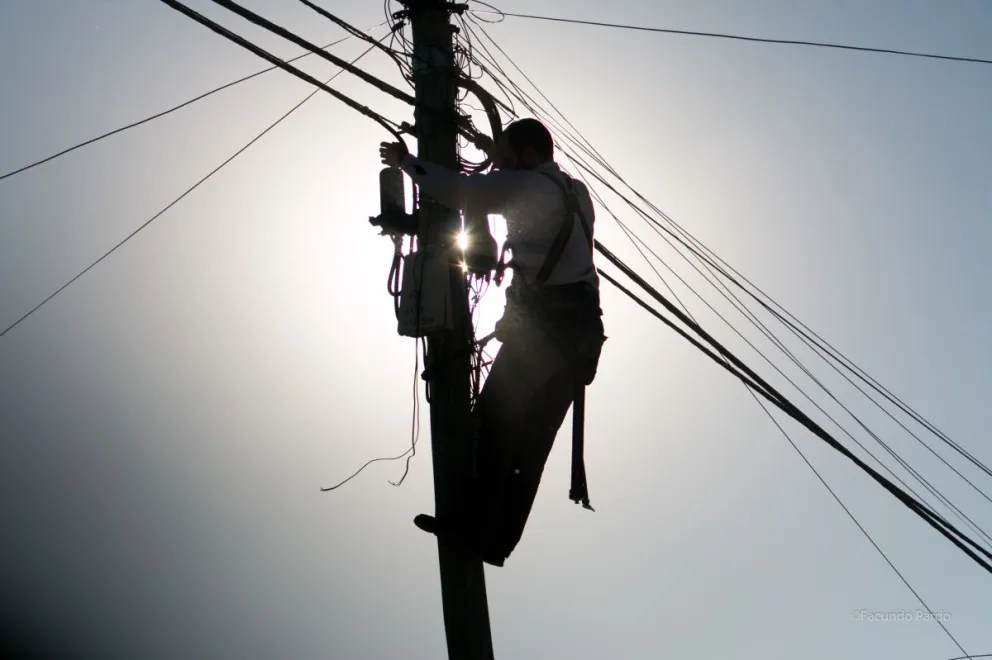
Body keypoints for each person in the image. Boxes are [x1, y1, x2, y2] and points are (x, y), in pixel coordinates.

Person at [378, 118, 606, 566]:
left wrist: (406, 163)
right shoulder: (575, 191)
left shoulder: (531, 190)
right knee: (530, 445)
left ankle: (468, 524)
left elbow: (462, 192)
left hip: (551, 335)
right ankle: (496, 542)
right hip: (581, 338)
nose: (497, 163)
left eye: (503, 154)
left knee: (492, 423)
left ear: (523, 155)